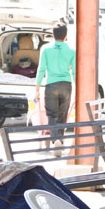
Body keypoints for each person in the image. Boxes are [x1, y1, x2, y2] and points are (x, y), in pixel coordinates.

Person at [35, 25, 75, 156]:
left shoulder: (46, 49)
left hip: (51, 84)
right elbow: (74, 72)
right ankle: (60, 141)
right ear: (66, 35)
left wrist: (37, 87)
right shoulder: (71, 51)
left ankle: (56, 140)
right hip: (66, 84)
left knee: (52, 115)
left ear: (53, 34)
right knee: (63, 115)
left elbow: (41, 70)